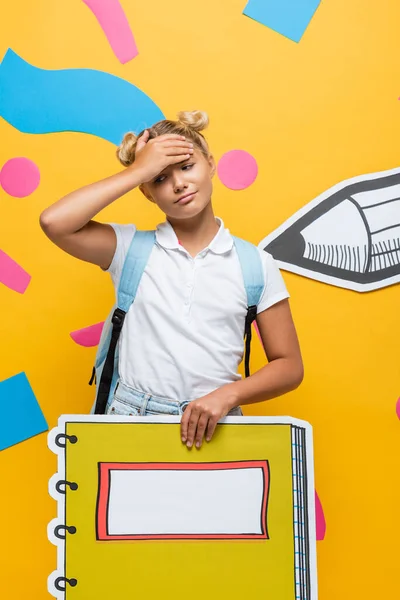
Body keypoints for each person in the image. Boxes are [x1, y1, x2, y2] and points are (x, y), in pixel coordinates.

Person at [40, 110, 304, 449]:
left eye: (186, 166)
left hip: (216, 426)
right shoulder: (129, 249)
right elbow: (54, 222)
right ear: (146, 193)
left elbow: (289, 365)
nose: (178, 183)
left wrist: (228, 396)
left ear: (211, 164)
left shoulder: (255, 264)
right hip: (131, 420)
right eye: (160, 179)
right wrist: (139, 170)